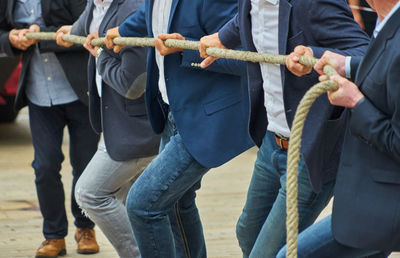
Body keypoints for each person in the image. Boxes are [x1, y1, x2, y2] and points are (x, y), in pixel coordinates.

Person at [198, 0, 370, 257]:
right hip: (272, 141)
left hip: (311, 148)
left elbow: (367, 53)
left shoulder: (313, 3)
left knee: (266, 252)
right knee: (247, 231)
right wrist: (222, 38)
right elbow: (245, 20)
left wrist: (313, 54)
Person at [103, 0, 254, 257]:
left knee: (142, 205)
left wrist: (186, 48)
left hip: (205, 117)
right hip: (172, 112)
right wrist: (121, 31)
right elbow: (148, 15)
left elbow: (246, 59)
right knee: (176, 203)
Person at [277, 0, 400, 257]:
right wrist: (346, 64)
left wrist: (355, 101)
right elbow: (387, 67)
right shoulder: (388, 22)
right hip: (368, 196)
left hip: (382, 208)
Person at [54, 0, 160, 257]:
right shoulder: (94, 4)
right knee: (129, 201)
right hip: (115, 125)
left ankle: (141, 253)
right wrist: (69, 32)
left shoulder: (130, 10)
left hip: (136, 129)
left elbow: (132, 85)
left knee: (90, 193)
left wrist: (99, 54)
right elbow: (84, 26)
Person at [0, 0, 100, 257]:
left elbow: (89, 25)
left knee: (85, 165)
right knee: (44, 166)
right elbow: (2, 33)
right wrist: (10, 39)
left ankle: (85, 227)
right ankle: (54, 236)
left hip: (79, 90)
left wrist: (39, 37)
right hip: (38, 93)